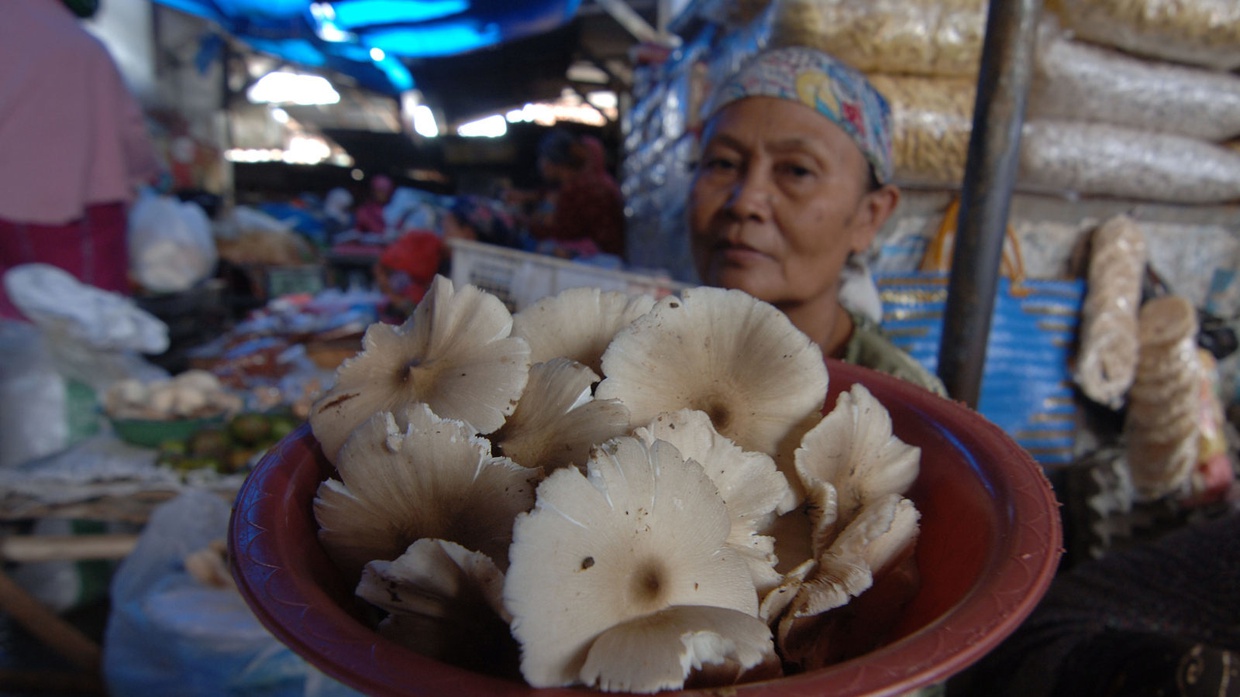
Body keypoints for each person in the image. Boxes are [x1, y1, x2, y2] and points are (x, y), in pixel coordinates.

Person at [688, 45, 944, 395]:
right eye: (723, 163)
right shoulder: (641, 358)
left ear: (869, 216)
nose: (746, 201)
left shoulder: (904, 411)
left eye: (797, 170)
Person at [0, 0, 163, 320]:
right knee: (89, 323)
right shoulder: (84, 48)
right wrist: (148, 172)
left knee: (11, 325)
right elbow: (130, 131)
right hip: (77, 212)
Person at [373, 195, 517, 320]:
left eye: (447, 228)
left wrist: (398, 300)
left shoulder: (473, 279)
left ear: (467, 235)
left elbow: (428, 320)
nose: (442, 234)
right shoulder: (442, 260)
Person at [528, 129, 626, 258]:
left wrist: (528, 224)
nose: (541, 164)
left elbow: (562, 232)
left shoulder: (579, 189)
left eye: (543, 158)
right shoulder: (600, 180)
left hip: (601, 260)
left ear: (553, 161)